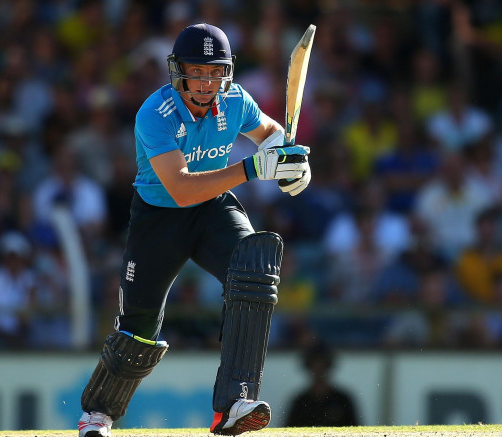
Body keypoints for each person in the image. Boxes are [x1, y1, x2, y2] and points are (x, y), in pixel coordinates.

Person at [77, 23, 311, 437]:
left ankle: (234, 403)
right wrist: (254, 167)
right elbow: (182, 189)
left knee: (254, 267)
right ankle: (98, 414)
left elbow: (271, 132)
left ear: (227, 73)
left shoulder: (235, 100)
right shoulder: (155, 113)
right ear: (178, 72)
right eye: (196, 71)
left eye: (215, 72)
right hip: (159, 215)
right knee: (139, 327)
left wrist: (290, 161)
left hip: (213, 209)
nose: (206, 82)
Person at [285, 341, 358, 427]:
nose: (319, 370)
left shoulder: (343, 400)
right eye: (315, 366)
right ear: (309, 367)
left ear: (328, 366)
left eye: (322, 366)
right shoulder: (300, 403)